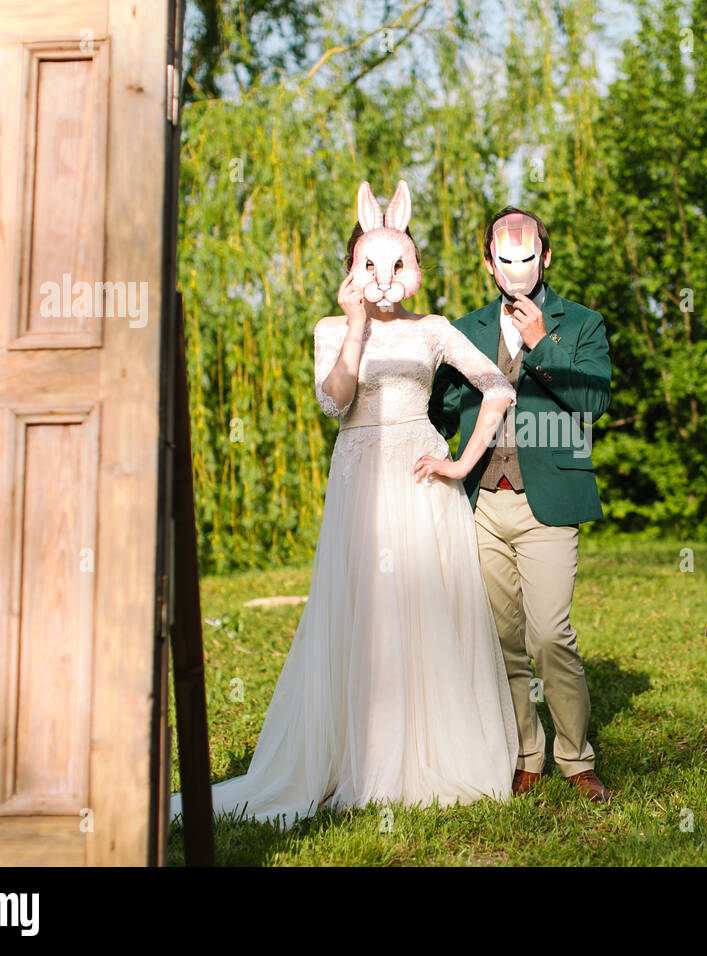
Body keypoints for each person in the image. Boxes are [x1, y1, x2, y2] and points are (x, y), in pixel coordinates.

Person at [172, 180, 519, 826]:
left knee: (422, 606)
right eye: (371, 265)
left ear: (412, 266)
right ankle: (353, 754)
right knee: (362, 607)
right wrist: (357, 328)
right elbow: (334, 401)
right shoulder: (330, 328)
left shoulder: (435, 329)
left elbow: (497, 387)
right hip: (359, 473)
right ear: (353, 271)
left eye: (397, 264)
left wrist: (460, 462)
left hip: (419, 475)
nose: (385, 278)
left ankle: (428, 752)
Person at [428, 206, 613, 802]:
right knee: (504, 640)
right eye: (503, 258)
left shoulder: (581, 323)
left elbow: (593, 403)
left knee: (549, 635)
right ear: (488, 263)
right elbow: (439, 405)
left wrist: (539, 343)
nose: (516, 267)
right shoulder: (464, 328)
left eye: (528, 255)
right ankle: (526, 753)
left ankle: (575, 757)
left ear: (546, 257)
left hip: (548, 503)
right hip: (482, 501)